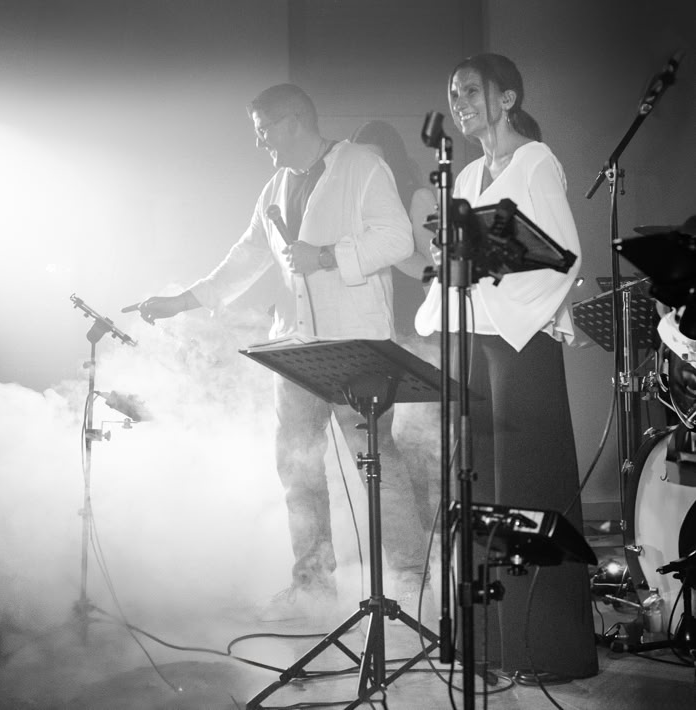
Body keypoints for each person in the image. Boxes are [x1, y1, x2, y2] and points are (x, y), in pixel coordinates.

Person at [129, 84, 428, 620]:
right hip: (295, 347)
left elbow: (397, 239)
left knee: (377, 462)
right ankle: (311, 585)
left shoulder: (361, 165)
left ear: (293, 121)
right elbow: (245, 257)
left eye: (263, 129)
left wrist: (329, 256)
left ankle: (412, 581)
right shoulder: (274, 186)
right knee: (297, 468)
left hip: (357, 344)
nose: (260, 140)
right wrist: (183, 301)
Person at [414, 54, 597, 682]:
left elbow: (564, 256)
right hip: (475, 342)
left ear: (508, 98)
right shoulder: (467, 173)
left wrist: (488, 264)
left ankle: (544, 649)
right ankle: (489, 645)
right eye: (453, 94)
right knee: (482, 492)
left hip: (519, 345)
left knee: (527, 491)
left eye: (471, 91)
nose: (460, 103)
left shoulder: (535, 161)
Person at [351, 120, 436, 337]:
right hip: (365, 321)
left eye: (374, 160)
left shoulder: (418, 197)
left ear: (390, 161)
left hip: (410, 323)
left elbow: (434, 270)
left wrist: (386, 245)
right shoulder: (350, 202)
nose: (367, 168)